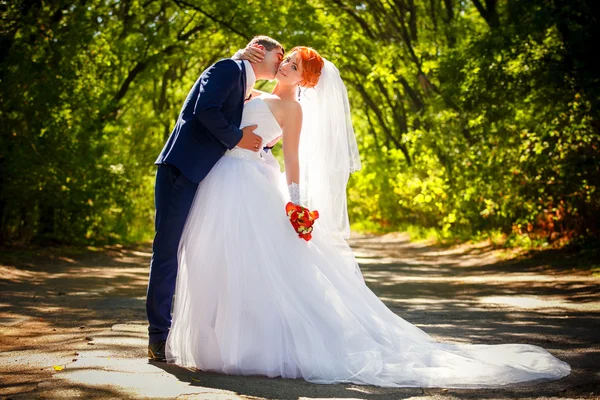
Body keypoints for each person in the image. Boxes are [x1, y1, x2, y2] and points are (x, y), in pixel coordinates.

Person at [165, 46, 571, 387]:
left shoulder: (292, 110)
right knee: (219, 260)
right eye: (284, 60)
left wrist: (295, 201)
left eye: (293, 66)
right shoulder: (249, 92)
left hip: (254, 183)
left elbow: (291, 159)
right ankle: (221, 341)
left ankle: (257, 346)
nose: (284, 65)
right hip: (224, 179)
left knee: (261, 265)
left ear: (304, 80)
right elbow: (219, 105)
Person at [146, 35, 285, 362]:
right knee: (168, 250)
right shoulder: (228, 69)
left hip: (207, 176)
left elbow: (253, 116)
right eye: (280, 55)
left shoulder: (245, 84)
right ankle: (158, 337)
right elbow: (204, 109)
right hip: (182, 170)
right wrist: (238, 138)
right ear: (260, 51)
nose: (282, 62)